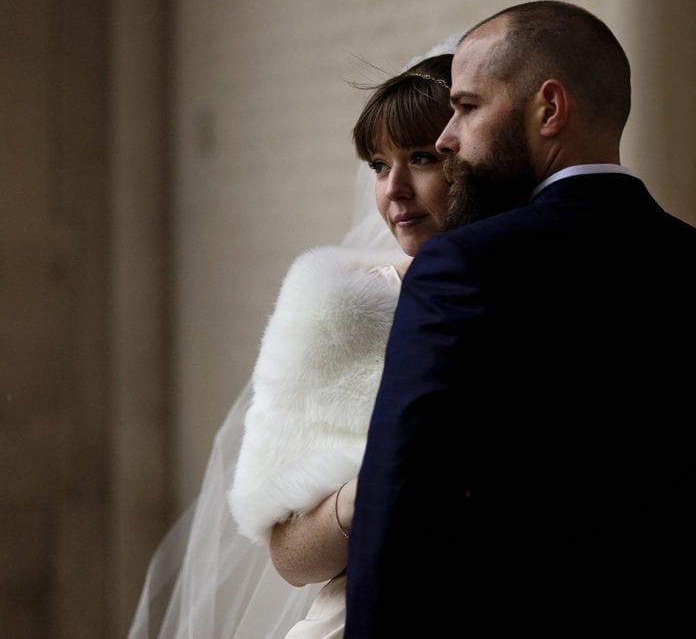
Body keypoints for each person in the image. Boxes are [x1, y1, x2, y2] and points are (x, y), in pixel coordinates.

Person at [344, 0, 696, 639]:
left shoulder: (461, 269)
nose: (447, 138)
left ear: (548, 109)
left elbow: (398, 514)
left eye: (467, 108)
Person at [128, 48, 455, 638]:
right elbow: (289, 559)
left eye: (422, 158)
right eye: (380, 165)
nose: (395, 190)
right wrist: (370, 490)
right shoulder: (341, 303)